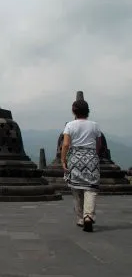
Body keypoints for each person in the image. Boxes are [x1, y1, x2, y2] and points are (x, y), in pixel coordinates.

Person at [61, 99, 102, 232]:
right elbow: (99, 145)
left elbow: (66, 144)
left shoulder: (70, 125)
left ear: (74, 111)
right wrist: (93, 155)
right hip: (91, 158)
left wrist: (63, 160)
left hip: (75, 158)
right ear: (87, 111)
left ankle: (80, 218)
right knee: (90, 188)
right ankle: (88, 216)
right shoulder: (94, 125)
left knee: (76, 188)